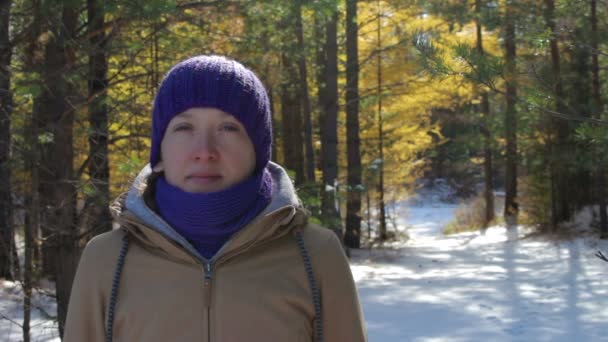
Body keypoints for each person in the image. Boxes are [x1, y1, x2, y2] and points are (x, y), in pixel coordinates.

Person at [64, 55, 366, 342]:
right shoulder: (106, 260)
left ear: (258, 150)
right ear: (160, 149)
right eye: (184, 127)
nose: (205, 150)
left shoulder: (316, 255)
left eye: (228, 128)